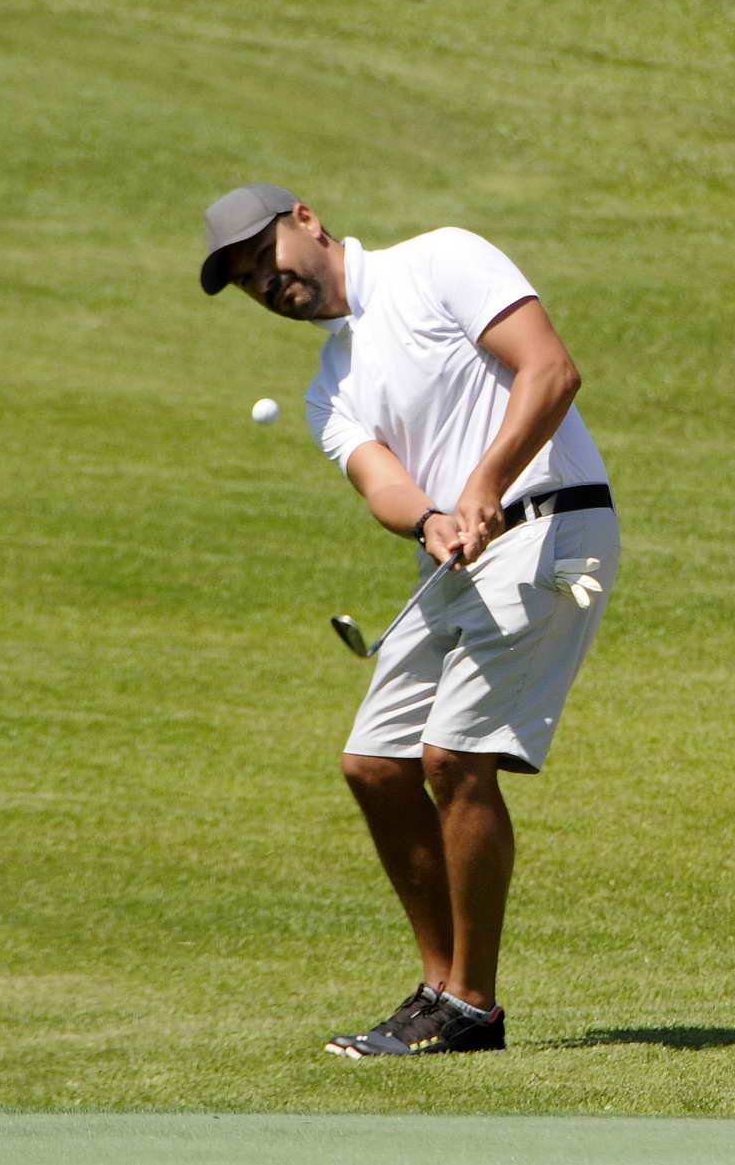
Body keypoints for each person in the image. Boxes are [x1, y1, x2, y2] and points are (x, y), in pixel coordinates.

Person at [198, 183, 620, 1057]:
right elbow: (380, 480)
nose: (265, 283)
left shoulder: (439, 260)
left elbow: (551, 370)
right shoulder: (330, 386)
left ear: (307, 220)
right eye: (245, 281)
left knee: (453, 757)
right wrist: (429, 517)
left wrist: (483, 483)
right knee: (374, 765)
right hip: (455, 553)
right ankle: (439, 989)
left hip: (552, 529)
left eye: (263, 257)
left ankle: (472, 1003)